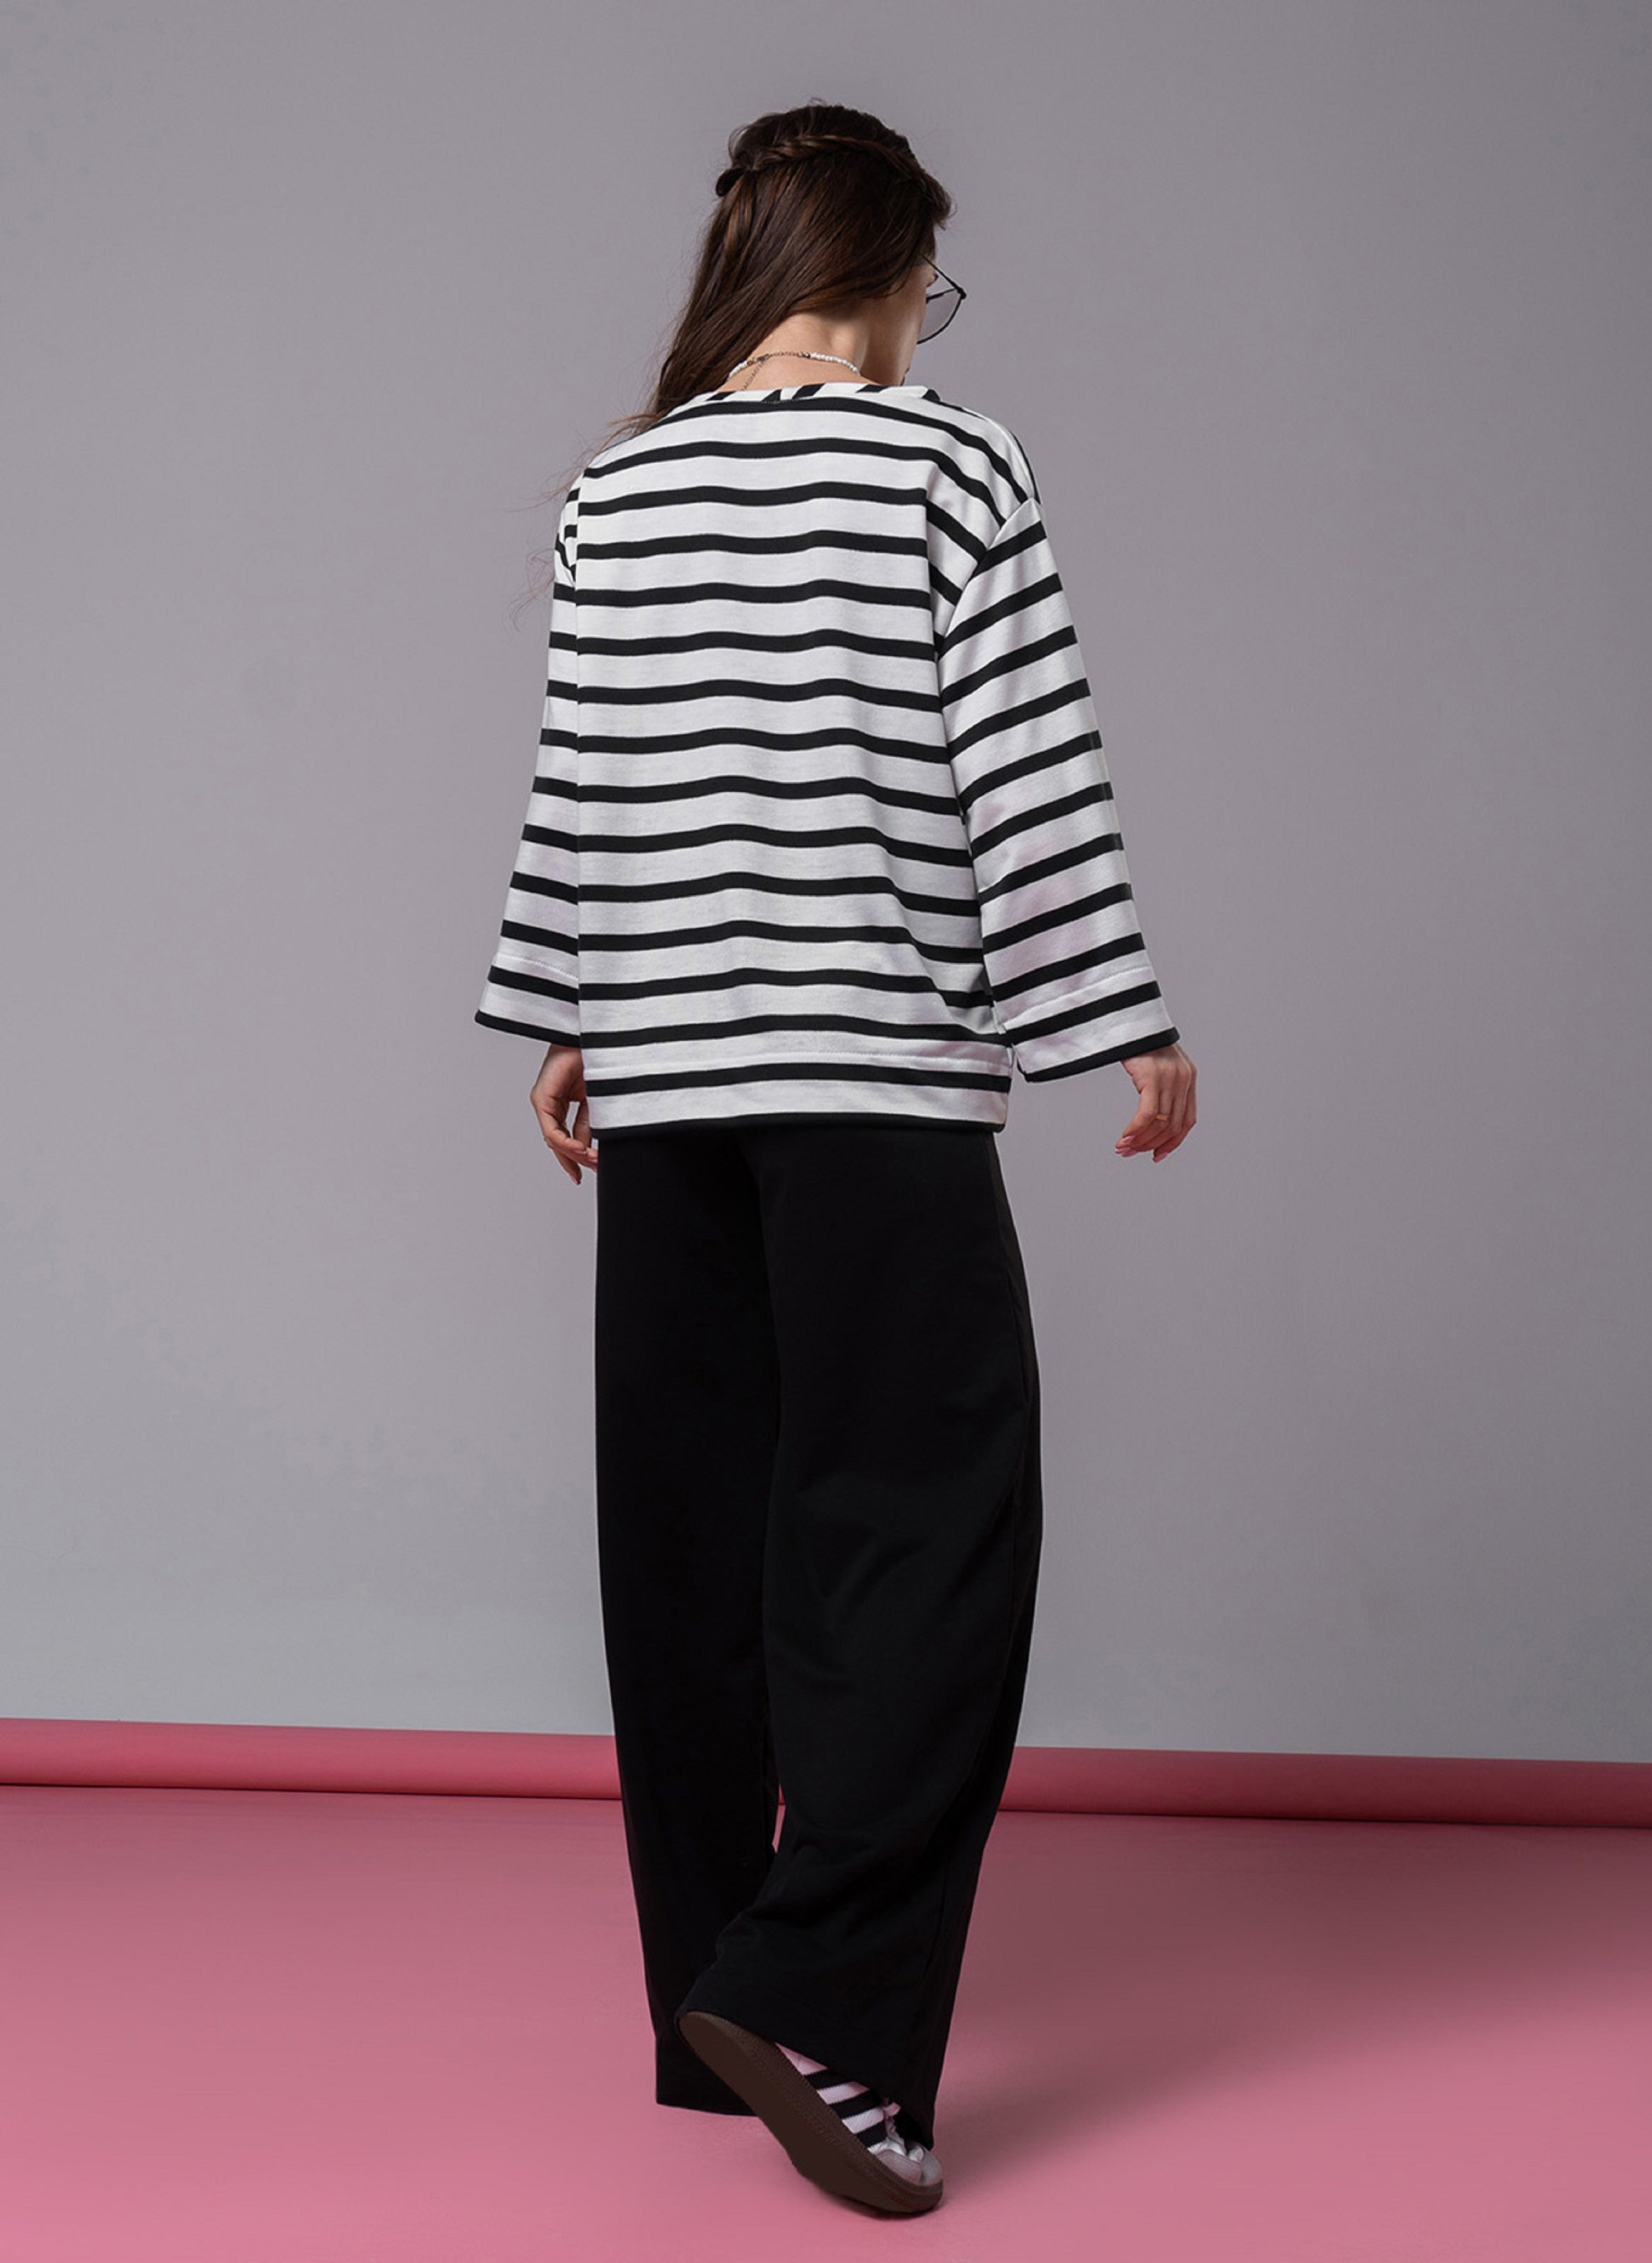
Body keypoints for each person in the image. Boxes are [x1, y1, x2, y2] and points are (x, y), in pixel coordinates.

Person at [474, 100, 1198, 2218]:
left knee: (691, 1552)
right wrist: (1117, 1010)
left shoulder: (617, 483)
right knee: (924, 1545)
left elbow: (587, 773)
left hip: (671, 1087)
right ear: (879, 275)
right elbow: (1022, 763)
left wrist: (579, 1008)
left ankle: (714, 2008)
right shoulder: (945, 465)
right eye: (923, 288)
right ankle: (816, 2014)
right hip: (869, 1084)